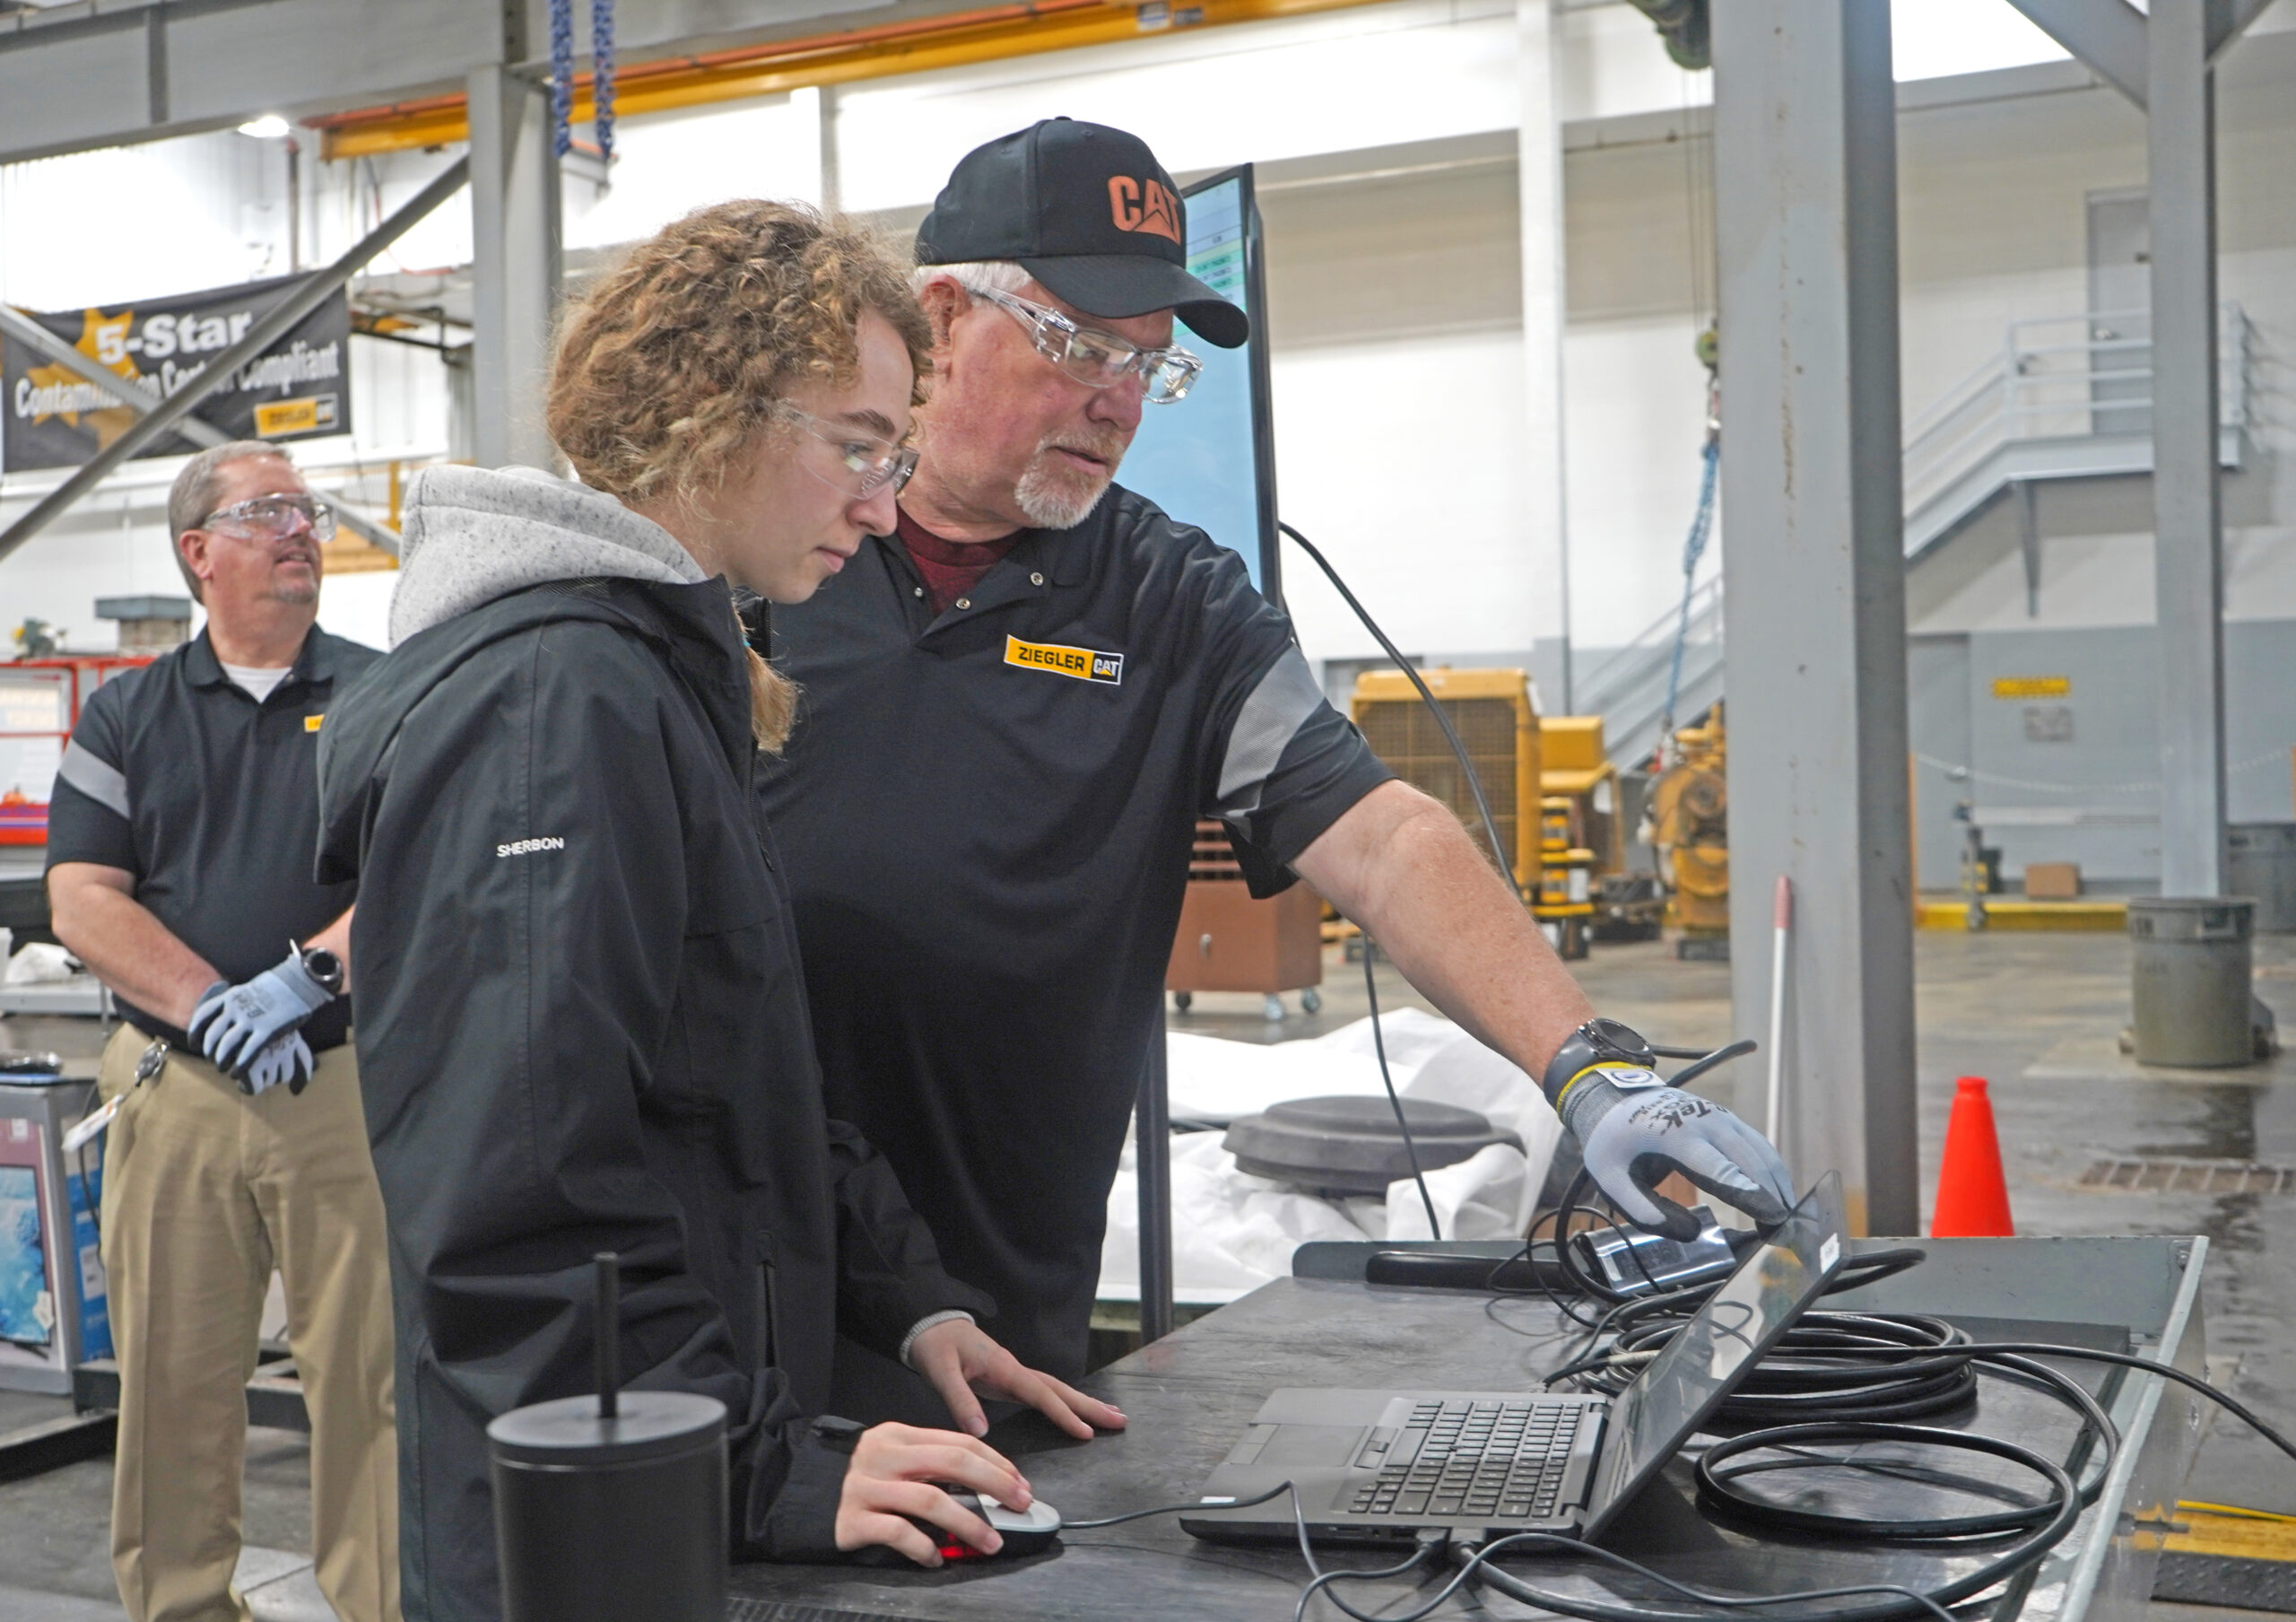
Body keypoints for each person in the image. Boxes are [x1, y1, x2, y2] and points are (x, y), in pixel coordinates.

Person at [757, 118, 1796, 1395]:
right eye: (1082, 348)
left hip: (996, 1317)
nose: (1118, 401)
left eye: (1151, 368)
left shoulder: (1168, 603)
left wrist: (1590, 1065)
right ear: (939, 323)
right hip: (735, 1287)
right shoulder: (770, 552)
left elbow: (1379, 834)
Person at [313, 201, 1120, 1619]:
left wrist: (911, 1297)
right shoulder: (551, 708)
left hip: (665, 1492)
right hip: (590, 1537)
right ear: (712, 413)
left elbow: (740, 1079)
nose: (884, 504)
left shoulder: (653, 678)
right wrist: (767, 1469)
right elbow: (513, 1210)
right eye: (862, 446)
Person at [47, 441, 398, 1622]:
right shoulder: (127, 715)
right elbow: (82, 895)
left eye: (306, 510)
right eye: (268, 513)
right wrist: (209, 1003)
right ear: (199, 551)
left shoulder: (381, 690)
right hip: (177, 1087)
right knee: (175, 1380)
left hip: (345, 1080)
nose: (301, 530)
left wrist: (305, 980)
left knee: (370, 1377)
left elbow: (417, 866)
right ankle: (186, 1605)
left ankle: (380, 1600)